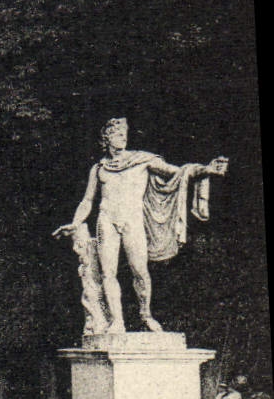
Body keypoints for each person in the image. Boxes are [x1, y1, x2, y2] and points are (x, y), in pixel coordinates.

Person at [55, 118, 226, 333]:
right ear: (106, 138)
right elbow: (87, 201)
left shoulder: (142, 160)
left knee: (140, 271)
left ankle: (146, 315)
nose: (123, 136)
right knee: (108, 273)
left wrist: (206, 170)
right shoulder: (99, 168)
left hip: (133, 220)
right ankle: (117, 321)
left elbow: (178, 172)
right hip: (106, 220)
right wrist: (75, 223)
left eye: (124, 133)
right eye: (117, 133)